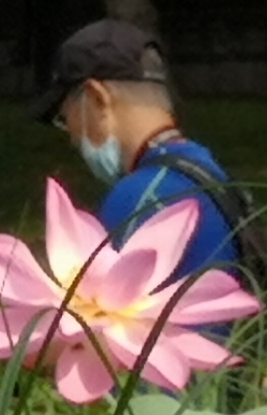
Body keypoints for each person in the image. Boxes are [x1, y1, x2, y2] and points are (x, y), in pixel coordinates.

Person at [28, 17, 243, 284]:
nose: (72, 138)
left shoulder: (138, 198)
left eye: (65, 118)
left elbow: (102, 316)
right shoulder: (208, 170)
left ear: (97, 98)